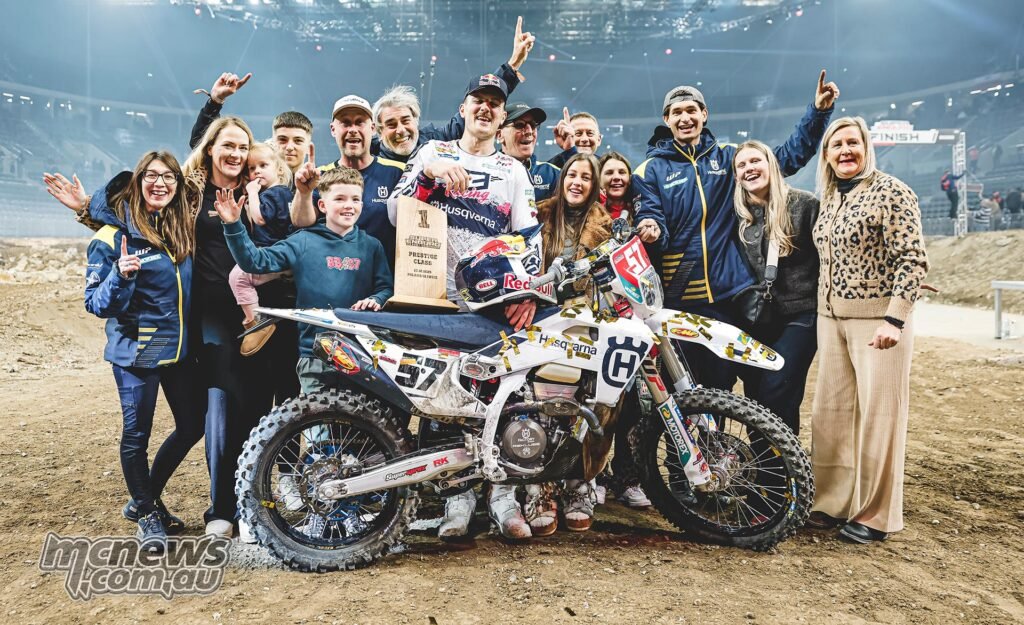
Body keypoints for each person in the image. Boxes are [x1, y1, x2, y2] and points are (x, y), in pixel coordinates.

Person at [388, 73, 538, 541]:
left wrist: (527, 293)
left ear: (502, 116)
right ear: (464, 107)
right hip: (436, 297)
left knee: (505, 396)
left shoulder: (513, 170)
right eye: (479, 100)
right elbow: (394, 213)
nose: (486, 108)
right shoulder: (433, 152)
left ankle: (504, 497)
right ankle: (457, 498)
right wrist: (428, 177)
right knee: (445, 400)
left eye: (495, 103)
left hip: (494, 302)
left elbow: (529, 237)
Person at [632, 71, 837, 391]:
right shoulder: (649, 170)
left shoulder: (729, 157)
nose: (685, 118)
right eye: (677, 112)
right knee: (687, 389)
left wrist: (818, 113)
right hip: (680, 299)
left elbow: (784, 159)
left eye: (691, 110)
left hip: (731, 298)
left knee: (728, 385)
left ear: (704, 114)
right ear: (666, 120)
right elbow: (650, 213)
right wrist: (652, 228)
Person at [807, 116, 928, 544]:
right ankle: (832, 502)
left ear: (866, 147)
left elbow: (912, 260)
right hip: (830, 319)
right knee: (831, 413)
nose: (845, 150)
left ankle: (876, 515)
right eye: (837, 144)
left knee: (880, 417)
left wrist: (895, 318)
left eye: (852, 142)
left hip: (878, 322)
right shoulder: (829, 198)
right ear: (826, 154)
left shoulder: (892, 191)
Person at [75, 152, 201, 552]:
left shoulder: (179, 227)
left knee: (192, 425)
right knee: (137, 435)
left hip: (175, 346)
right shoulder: (110, 238)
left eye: (168, 177)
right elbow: (95, 303)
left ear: (178, 185)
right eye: (151, 175)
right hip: (138, 348)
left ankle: (144, 500)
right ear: (137, 181)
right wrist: (120, 275)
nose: (160, 183)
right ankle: (148, 515)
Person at [216, 167, 393, 395]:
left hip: (362, 354)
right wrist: (233, 225)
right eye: (340, 198)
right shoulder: (303, 241)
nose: (349, 205)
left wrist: (376, 299)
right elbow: (255, 262)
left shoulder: (372, 246)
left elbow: (385, 288)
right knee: (314, 417)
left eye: (355, 199)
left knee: (360, 418)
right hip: (315, 355)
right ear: (322, 205)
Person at [528, 152, 614, 534]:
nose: (577, 182)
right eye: (571, 175)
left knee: (593, 403)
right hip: (541, 318)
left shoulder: (605, 224)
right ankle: (539, 487)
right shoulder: (540, 214)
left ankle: (580, 484)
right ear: (562, 179)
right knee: (542, 400)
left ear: (594, 185)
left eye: (585, 177)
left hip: (587, 321)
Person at [731, 141, 819, 434]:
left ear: (771, 164)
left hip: (801, 314)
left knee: (777, 387)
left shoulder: (804, 205)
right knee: (755, 394)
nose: (749, 168)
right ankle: (767, 461)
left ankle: (782, 462)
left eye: (756, 161)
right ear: (736, 176)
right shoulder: (737, 216)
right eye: (742, 165)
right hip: (756, 317)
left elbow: (834, 252)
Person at [371, 15, 535, 162]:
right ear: (379, 131)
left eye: (406, 121)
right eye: (391, 124)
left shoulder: (431, 142)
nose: (401, 130)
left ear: (416, 121)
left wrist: (513, 64)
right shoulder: (367, 155)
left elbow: (472, 113)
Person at [289, 95, 404, 266]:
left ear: (372, 128)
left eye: (359, 122)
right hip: (336, 275)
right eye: (345, 123)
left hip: (384, 276)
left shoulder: (399, 172)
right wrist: (304, 193)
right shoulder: (319, 175)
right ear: (333, 129)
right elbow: (301, 222)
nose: (352, 129)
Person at [228, 142, 294, 356]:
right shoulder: (282, 193)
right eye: (252, 168)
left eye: (263, 165)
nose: (257, 171)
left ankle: (255, 322)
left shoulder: (273, 194)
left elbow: (260, 218)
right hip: (280, 256)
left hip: (272, 255)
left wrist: (252, 193)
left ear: (279, 169)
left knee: (238, 277)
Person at [190, 71, 313, 176]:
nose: (289, 147)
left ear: (309, 147)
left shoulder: (319, 183)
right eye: (282, 140)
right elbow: (200, 145)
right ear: (273, 142)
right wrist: (215, 102)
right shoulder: (252, 174)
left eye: (298, 141)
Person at [496, 101, 574, 202]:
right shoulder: (485, 173)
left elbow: (583, 198)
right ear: (499, 135)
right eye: (519, 125)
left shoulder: (550, 174)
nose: (529, 131)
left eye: (533, 125)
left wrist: (571, 151)